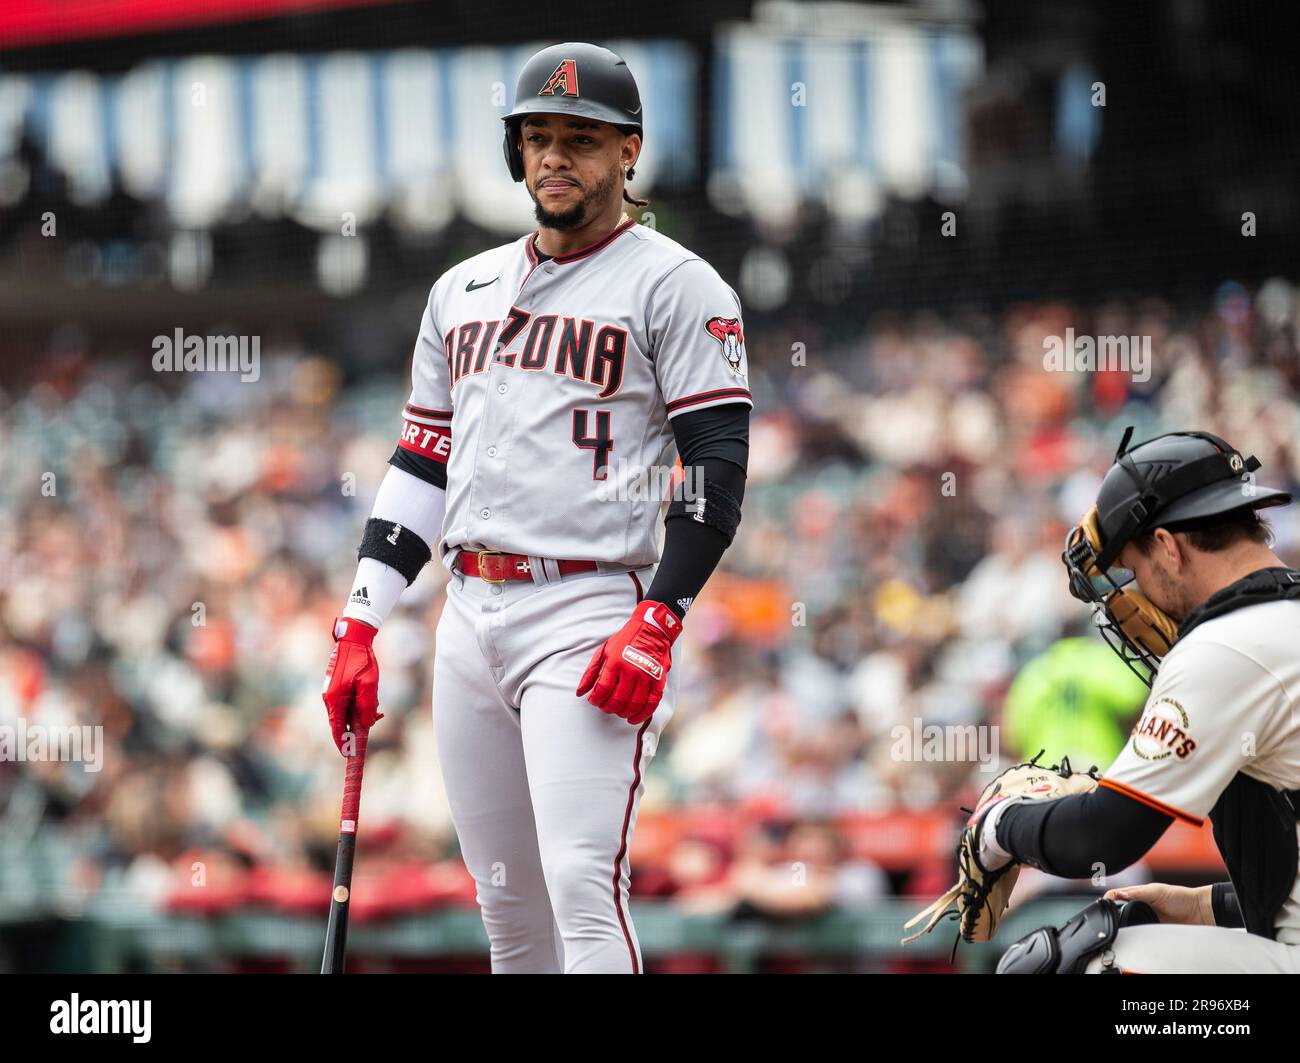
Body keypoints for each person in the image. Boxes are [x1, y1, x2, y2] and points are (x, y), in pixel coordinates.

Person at [320, 42, 752, 973]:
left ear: (628, 152)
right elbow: (421, 464)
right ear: (516, 151)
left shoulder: (677, 282)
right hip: (468, 613)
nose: (556, 157)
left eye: (582, 140)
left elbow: (717, 465)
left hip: (589, 609)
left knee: (582, 889)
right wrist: (360, 623)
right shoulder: (459, 288)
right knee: (509, 915)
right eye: (538, 137)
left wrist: (660, 617)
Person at [981, 428, 1300, 972]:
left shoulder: (1228, 643)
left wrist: (995, 825)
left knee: (1075, 964)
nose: (1136, 596)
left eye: (1135, 569)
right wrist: (1207, 903)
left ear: (1168, 547)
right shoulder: (1280, 621)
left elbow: (1100, 837)